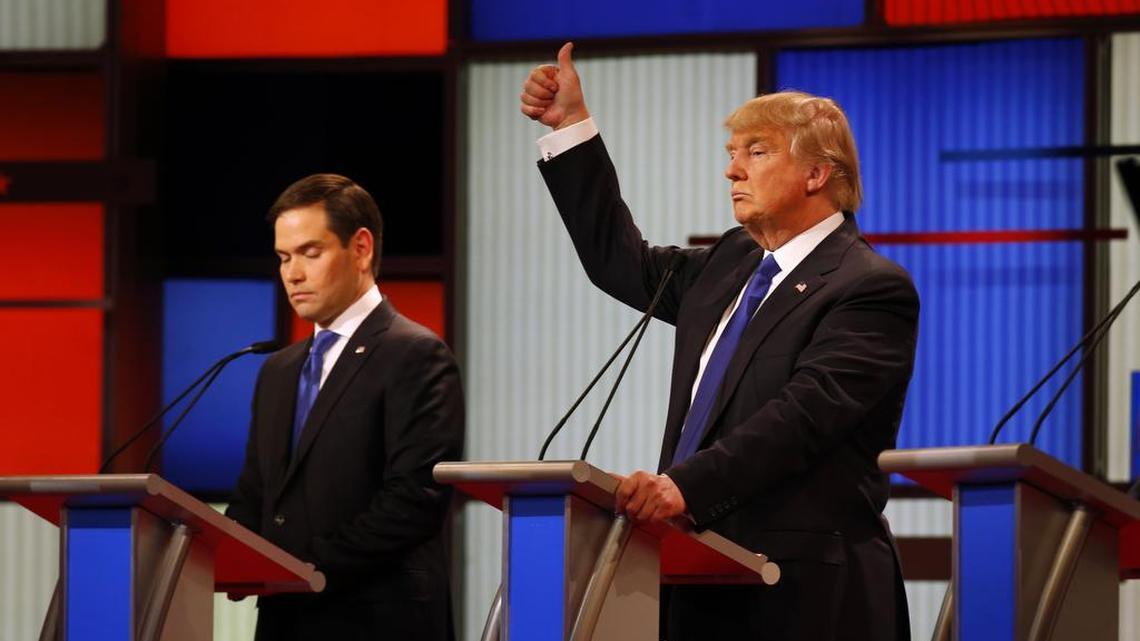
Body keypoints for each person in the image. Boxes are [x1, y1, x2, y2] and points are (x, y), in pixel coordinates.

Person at [521, 43, 918, 641]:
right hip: (697, 579)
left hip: (803, 597)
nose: (732, 170)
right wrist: (570, 129)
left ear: (817, 173)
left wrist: (683, 488)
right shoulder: (732, 262)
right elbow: (617, 262)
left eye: (756, 153)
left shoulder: (870, 288)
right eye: (732, 154)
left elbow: (801, 417)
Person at [226, 173, 464, 641]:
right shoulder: (277, 370)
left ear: (360, 248)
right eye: (283, 258)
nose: (292, 274)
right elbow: (254, 493)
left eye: (310, 253)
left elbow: (414, 501)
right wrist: (226, 551)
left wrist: (297, 565)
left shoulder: (415, 353)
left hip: (377, 620)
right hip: (284, 620)